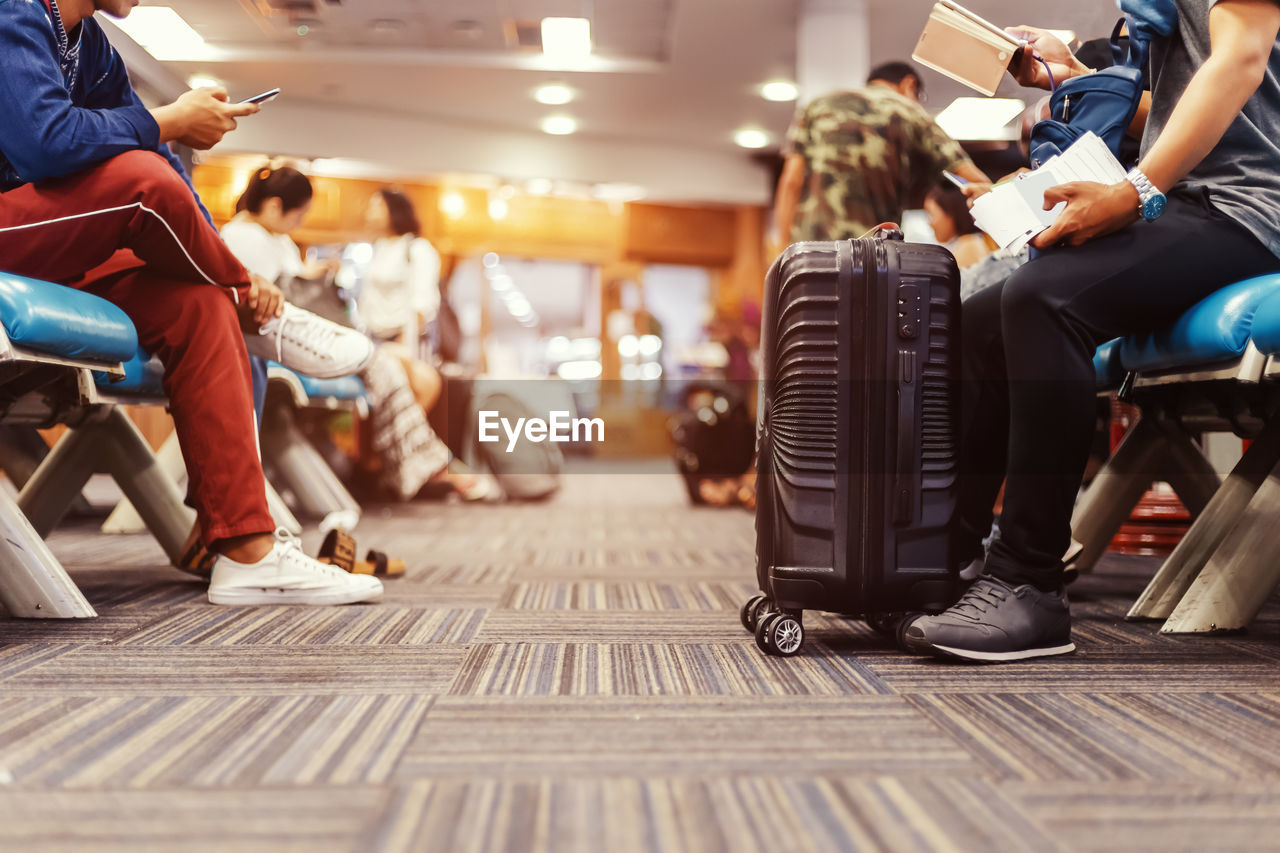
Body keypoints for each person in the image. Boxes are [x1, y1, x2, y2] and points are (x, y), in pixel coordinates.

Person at [906, 2, 1280, 662]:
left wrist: (1137, 189)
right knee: (981, 317)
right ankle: (949, 560)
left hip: (1252, 210)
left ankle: (1028, 581)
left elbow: (1243, 59)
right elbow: (1178, 103)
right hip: (1196, 200)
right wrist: (1072, 72)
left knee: (1044, 301)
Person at [0, 0, 381, 605]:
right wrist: (167, 121)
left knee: (199, 307)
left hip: (57, 246)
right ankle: (269, 319)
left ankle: (247, 551)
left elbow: (168, 175)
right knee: (141, 178)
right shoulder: (13, 11)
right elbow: (46, 143)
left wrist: (227, 282)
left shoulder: (93, 46)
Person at [220, 166, 462, 504]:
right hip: (280, 339)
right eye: (299, 215)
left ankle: (395, 466)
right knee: (395, 371)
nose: (300, 224)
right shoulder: (244, 238)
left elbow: (291, 284)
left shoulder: (276, 238)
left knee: (419, 378)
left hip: (320, 334)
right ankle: (409, 466)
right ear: (275, 207)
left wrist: (310, 274)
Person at [356, 189, 490, 500]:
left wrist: (405, 346)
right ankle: (434, 466)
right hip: (372, 339)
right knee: (404, 393)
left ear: (395, 210)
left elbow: (420, 303)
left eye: (377, 205)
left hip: (404, 339)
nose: (370, 211)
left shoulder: (417, 249)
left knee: (420, 384)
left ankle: (401, 467)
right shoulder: (377, 249)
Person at [774, 61, 990, 243]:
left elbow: (792, 181)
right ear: (909, 85)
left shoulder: (816, 106)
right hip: (872, 252)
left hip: (812, 249)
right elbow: (973, 178)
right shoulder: (910, 111)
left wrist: (783, 250)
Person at [923, 184, 993, 269]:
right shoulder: (973, 242)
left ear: (951, 212)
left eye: (931, 215)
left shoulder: (969, 245)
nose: (930, 223)